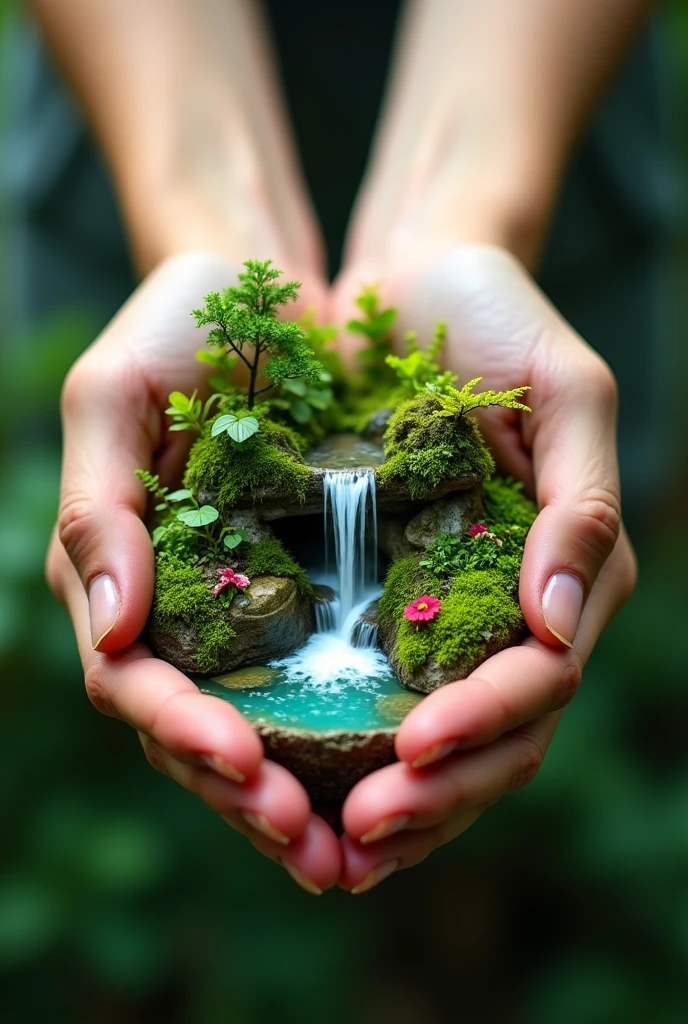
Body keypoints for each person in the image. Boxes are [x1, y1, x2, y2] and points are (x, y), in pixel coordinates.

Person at [22, 0, 644, 895]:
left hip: (551, 94)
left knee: (501, 862)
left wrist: (460, 223)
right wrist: (204, 227)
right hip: (130, 106)